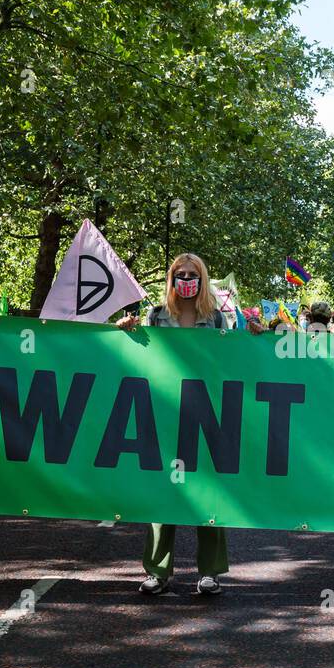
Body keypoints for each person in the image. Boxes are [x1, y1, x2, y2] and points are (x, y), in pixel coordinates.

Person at [116, 253, 258, 596]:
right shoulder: (156, 315)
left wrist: (256, 336)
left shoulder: (216, 318)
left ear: (203, 278)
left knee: (209, 494)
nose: (186, 278)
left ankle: (210, 573)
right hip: (163, 413)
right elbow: (140, 358)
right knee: (162, 495)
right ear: (171, 277)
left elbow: (233, 359)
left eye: (193, 274)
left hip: (207, 414)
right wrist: (125, 333)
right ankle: (157, 572)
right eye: (180, 273)